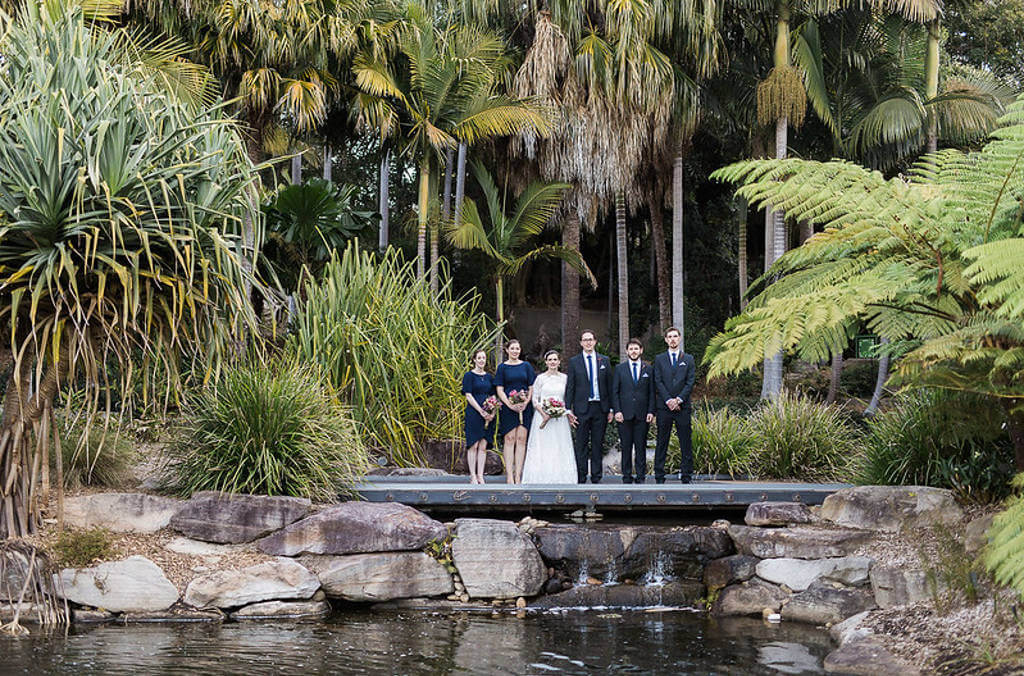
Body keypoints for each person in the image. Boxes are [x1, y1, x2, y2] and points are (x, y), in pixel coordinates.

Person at [565, 329, 613, 484]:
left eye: (590, 339)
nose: (588, 342)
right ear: (581, 343)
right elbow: (570, 386)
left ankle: (596, 477)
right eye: (585, 340)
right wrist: (568, 409)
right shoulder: (574, 362)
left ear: (595, 342)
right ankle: (581, 476)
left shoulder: (604, 360)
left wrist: (611, 409)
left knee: (598, 444)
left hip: (600, 407)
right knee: (581, 444)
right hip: (581, 409)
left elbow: (610, 386)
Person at [521, 350, 577, 484]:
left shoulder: (565, 378)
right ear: (546, 362)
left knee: (559, 445)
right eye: (550, 360)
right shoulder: (540, 378)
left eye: (555, 359)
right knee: (543, 446)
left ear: (559, 362)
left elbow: (568, 398)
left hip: (559, 418)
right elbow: (535, 399)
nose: (552, 362)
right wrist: (544, 413)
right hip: (542, 417)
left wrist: (565, 411)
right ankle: (541, 476)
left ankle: (561, 477)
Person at [653, 327, 696, 483]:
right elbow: (658, 381)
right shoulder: (659, 359)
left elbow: (690, 382)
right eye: (669, 336)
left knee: (685, 442)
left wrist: (678, 400)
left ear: (679, 338)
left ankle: (686, 475)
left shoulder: (688, 359)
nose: (672, 339)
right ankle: (659, 475)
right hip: (664, 408)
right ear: (666, 339)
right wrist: (669, 401)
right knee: (662, 441)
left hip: (682, 407)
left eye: (675, 336)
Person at [611, 338, 655, 484]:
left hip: (643, 414)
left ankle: (641, 477)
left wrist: (651, 411)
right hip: (624, 415)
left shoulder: (648, 369)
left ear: (641, 350)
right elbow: (615, 392)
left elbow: (652, 392)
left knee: (641, 447)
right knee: (626, 447)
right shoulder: (620, 369)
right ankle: (627, 476)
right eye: (631, 349)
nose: (634, 351)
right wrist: (617, 411)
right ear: (627, 351)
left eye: (636, 348)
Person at [495, 339, 535, 484]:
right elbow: (499, 389)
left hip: (525, 407)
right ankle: (509, 475)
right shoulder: (502, 368)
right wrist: (509, 404)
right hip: (508, 407)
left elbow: (531, 386)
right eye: (512, 348)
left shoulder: (526, 366)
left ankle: (518, 474)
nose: (515, 351)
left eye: (517, 348)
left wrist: (526, 402)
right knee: (509, 438)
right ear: (507, 350)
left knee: (521, 439)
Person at [461, 349, 496, 484]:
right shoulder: (469, 376)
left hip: (488, 414)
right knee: (473, 445)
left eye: (484, 358)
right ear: (474, 360)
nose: (482, 360)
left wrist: (492, 412)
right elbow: (468, 395)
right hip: (474, 413)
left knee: (483, 445)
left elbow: (493, 396)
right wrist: (480, 410)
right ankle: (473, 476)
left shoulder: (489, 377)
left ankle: (480, 475)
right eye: (479, 358)